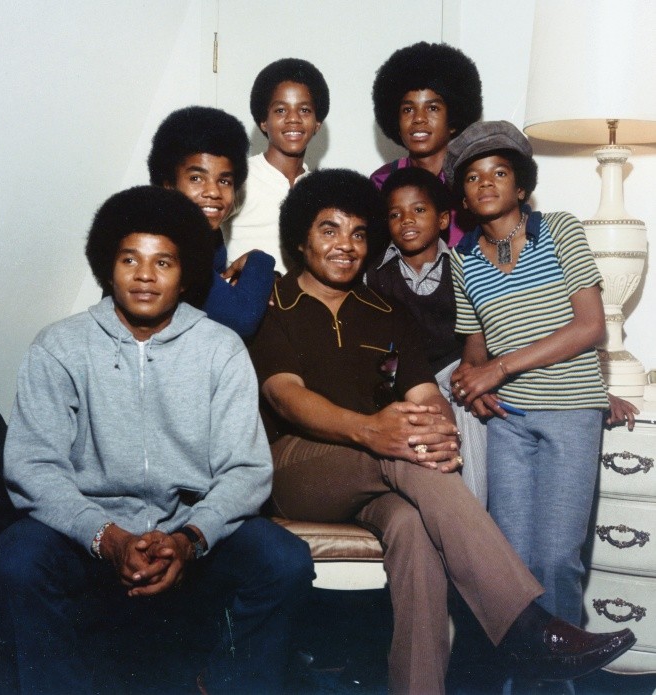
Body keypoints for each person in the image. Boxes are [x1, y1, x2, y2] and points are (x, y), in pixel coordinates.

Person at [248, 168, 635, 695]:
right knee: (402, 448)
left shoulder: (384, 311)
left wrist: (437, 429)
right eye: (329, 230)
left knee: (414, 527)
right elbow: (284, 396)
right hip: (298, 467)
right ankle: (525, 626)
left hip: (380, 472)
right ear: (300, 238)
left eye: (358, 233)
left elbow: (426, 395)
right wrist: (371, 430)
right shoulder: (273, 302)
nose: (346, 245)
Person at [0, 186, 313, 695]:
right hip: (89, 531)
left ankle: (228, 683)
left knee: (285, 561)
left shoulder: (220, 348)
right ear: (108, 267)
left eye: (163, 262)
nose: (144, 275)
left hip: (190, 528)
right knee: (15, 560)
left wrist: (189, 539)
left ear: (185, 276)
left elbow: (246, 470)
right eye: (129, 259)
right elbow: (33, 465)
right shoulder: (60, 346)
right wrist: (108, 537)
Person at [446, 121, 637, 691]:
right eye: (473, 176)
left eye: (499, 172)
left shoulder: (559, 230)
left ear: (522, 185)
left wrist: (500, 368)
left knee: (556, 559)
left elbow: (590, 327)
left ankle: (555, 686)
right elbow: (475, 349)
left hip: (571, 412)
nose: (486, 182)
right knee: (512, 567)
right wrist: (474, 381)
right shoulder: (462, 259)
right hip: (510, 424)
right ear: (463, 197)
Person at [365, 166, 487, 504]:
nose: (406, 220)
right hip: (406, 379)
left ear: (443, 220)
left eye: (419, 210)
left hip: (453, 371)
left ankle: (475, 515)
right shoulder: (374, 275)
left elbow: (482, 333)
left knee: (468, 411)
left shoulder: (463, 266)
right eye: (395, 214)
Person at [148, 105, 275, 338]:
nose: (213, 192)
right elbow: (241, 320)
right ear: (168, 185)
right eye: (197, 178)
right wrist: (260, 260)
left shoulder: (208, 238)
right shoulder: (161, 243)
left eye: (224, 181)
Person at [371, 41, 482, 247]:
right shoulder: (382, 181)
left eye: (432, 108)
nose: (419, 118)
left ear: (453, 121)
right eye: (408, 109)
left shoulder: (472, 178)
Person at [224, 58, 329, 274]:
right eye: (281, 110)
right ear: (264, 121)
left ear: (317, 123)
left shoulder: (319, 188)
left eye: (304, 110)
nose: (293, 119)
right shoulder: (242, 176)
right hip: (247, 293)